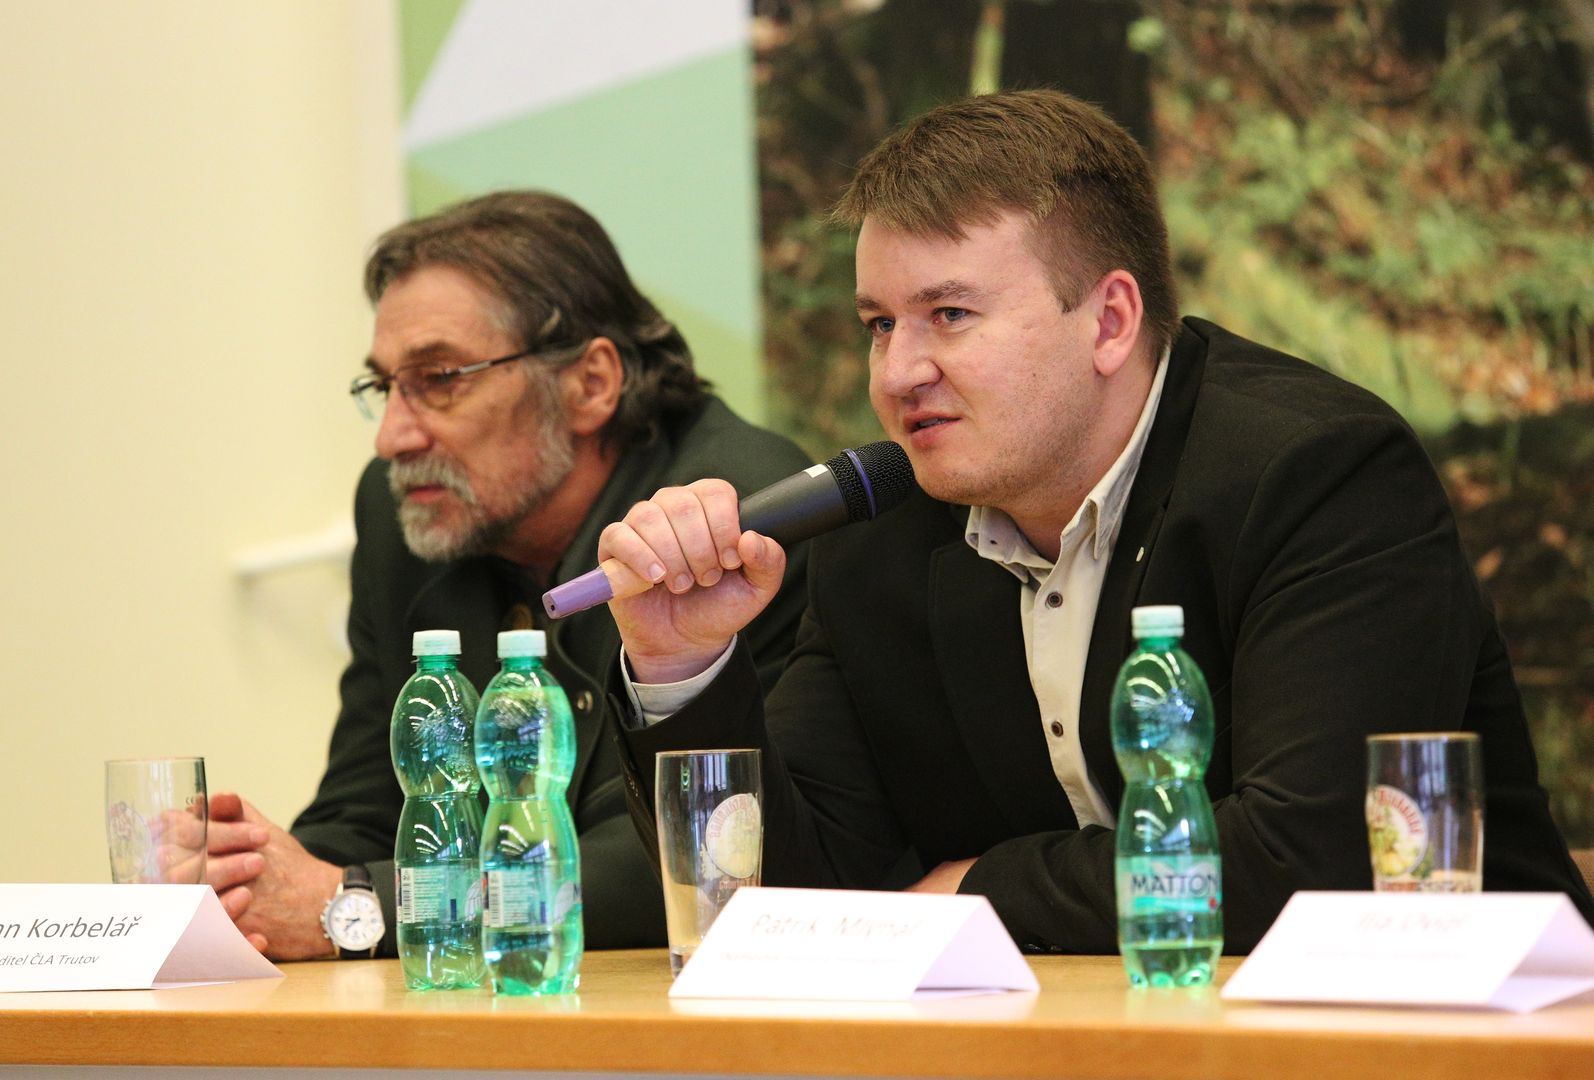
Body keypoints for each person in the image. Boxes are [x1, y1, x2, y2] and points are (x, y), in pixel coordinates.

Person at [598, 89, 1594, 952]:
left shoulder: (1316, 475)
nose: (897, 373)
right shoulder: (883, 533)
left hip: (1458, 1037)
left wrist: (985, 890)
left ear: (1110, 321)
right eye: (879, 324)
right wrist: (683, 666)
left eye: (949, 316)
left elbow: (1310, 859)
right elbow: (782, 904)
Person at [205, 191, 812, 959]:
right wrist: (247, 881)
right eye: (384, 387)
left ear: (591, 383)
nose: (393, 437)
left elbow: (665, 862)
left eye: (439, 378)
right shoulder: (403, 514)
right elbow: (367, 807)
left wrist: (356, 904)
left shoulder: (729, 520)